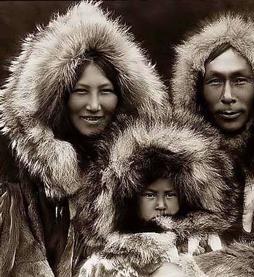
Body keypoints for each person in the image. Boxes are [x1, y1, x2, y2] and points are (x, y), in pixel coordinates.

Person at [0, 2, 168, 276]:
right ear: (61, 98)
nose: (93, 105)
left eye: (105, 91)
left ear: (122, 97)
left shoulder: (146, 174)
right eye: (81, 91)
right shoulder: (23, 179)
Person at [171, 12, 254, 275]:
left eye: (240, 81)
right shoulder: (173, 165)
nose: (227, 96)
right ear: (197, 90)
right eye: (215, 81)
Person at [74, 112, 243, 276]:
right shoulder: (108, 259)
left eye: (169, 195)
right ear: (132, 201)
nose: (161, 204)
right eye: (150, 196)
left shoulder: (205, 243)